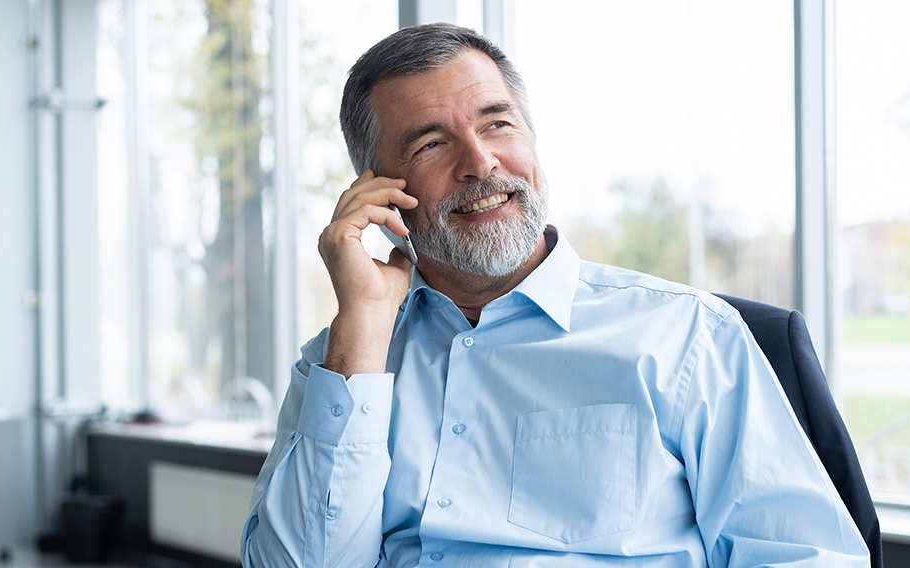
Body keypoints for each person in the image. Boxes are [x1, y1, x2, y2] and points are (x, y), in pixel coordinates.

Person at [241, 22, 869, 567]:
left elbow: (807, 555)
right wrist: (366, 326)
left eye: (498, 124)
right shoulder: (343, 361)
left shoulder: (690, 337)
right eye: (432, 143)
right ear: (377, 191)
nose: (482, 162)